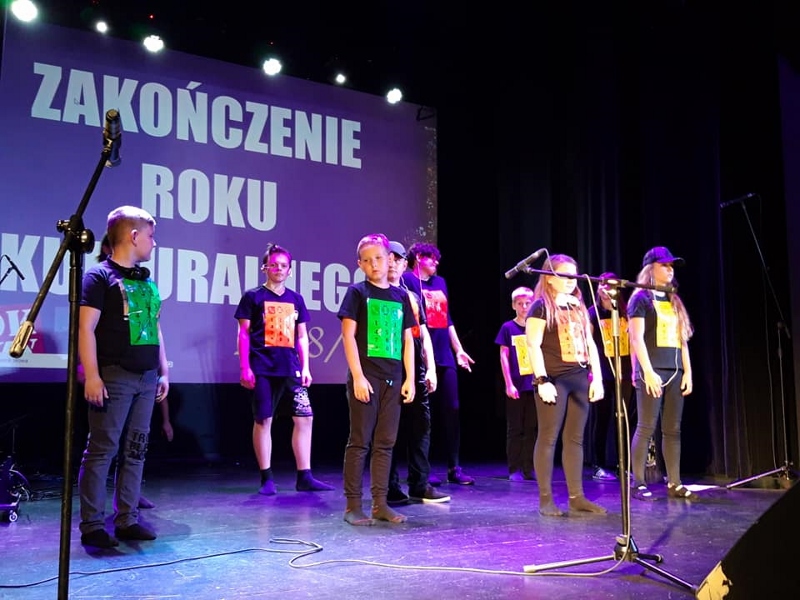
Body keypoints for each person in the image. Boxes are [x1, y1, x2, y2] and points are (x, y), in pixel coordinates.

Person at [77, 205, 169, 548]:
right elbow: (85, 329)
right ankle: (92, 524)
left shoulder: (145, 280)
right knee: (102, 449)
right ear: (133, 236)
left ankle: (127, 519)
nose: (153, 243)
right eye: (150, 236)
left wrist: (163, 370)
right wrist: (92, 375)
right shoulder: (99, 277)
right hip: (115, 375)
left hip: (147, 377)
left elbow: (155, 328)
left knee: (136, 448)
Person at [234, 243, 333, 496]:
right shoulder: (253, 297)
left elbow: (302, 336)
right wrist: (245, 367)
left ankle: (305, 476)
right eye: (274, 265)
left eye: (283, 266)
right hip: (263, 368)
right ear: (265, 268)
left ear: (290, 270)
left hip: (291, 369)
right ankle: (266, 478)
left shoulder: (296, 299)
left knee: (305, 417)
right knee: (264, 419)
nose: (278, 269)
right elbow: (243, 333)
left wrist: (306, 367)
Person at [337, 233, 416, 525]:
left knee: (385, 443)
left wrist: (409, 378)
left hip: (393, 379)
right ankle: (352, 506)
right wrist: (358, 377)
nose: (374, 264)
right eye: (367, 260)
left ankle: (380, 504)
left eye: (379, 258)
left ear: (389, 259)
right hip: (367, 377)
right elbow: (348, 337)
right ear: (360, 264)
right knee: (360, 441)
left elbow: (408, 340)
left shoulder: (401, 296)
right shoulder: (357, 293)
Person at [524, 253, 607, 517]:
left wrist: (597, 378)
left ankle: (576, 497)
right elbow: (532, 344)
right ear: (549, 278)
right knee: (548, 438)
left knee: (575, 439)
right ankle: (545, 500)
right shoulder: (540, 307)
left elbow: (591, 343)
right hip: (554, 379)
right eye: (565, 275)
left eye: (574, 275)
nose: (572, 280)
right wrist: (542, 380)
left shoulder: (578, 306)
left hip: (579, 378)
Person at [628, 246, 698, 501]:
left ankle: (675, 482)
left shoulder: (673, 300)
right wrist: (647, 371)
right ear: (651, 269)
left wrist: (687, 372)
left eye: (671, 266)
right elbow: (636, 338)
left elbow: (682, 340)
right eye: (664, 265)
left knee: (672, 430)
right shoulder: (640, 299)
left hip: (674, 371)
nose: (670, 270)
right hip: (652, 371)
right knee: (646, 426)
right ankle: (637, 482)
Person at [402, 242, 475, 486]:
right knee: (424, 414)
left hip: (444, 354)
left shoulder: (440, 282)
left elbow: (447, 319)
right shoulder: (407, 280)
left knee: (452, 408)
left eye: (436, 259)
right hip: (421, 352)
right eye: (431, 258)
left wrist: (459, 349)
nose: (436, 262)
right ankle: (423, 468)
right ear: (418, 258)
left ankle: (454, 467)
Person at [386, 241, 450, 504]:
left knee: (421, 427)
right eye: (387, 258)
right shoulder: (375, 293)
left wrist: (431, 368)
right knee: (388, 430)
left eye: (397, 259)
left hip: (415, 369)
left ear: (405, 264)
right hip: (388, 370)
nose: (392, 263)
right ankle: (389, 487)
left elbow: (422, 333)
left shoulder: (411, 295)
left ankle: (419, 485)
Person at [586, 273, 635, 483]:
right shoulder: (592, 312)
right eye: (602, 286)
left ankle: (623, 465)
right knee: (602, 418)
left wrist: (634, 370)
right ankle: (598, 464)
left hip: (625, 372)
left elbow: (633, 341)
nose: (606, 290)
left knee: (623, 419)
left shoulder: (625, 311)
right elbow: (587, 342)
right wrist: (591, 371)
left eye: (610, 286)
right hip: (603, 373)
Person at [495, 286, 537, 481]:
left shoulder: (537, 326)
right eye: (520, 304)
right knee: (515, 429)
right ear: (513, 305)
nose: (524, 307)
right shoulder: (508, 328)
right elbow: (504, 356)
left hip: (534, 384)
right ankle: (514, 468)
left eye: (528, 303)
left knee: (531, 428)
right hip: (517, 385)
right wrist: (509, 383)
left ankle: (529, 468)